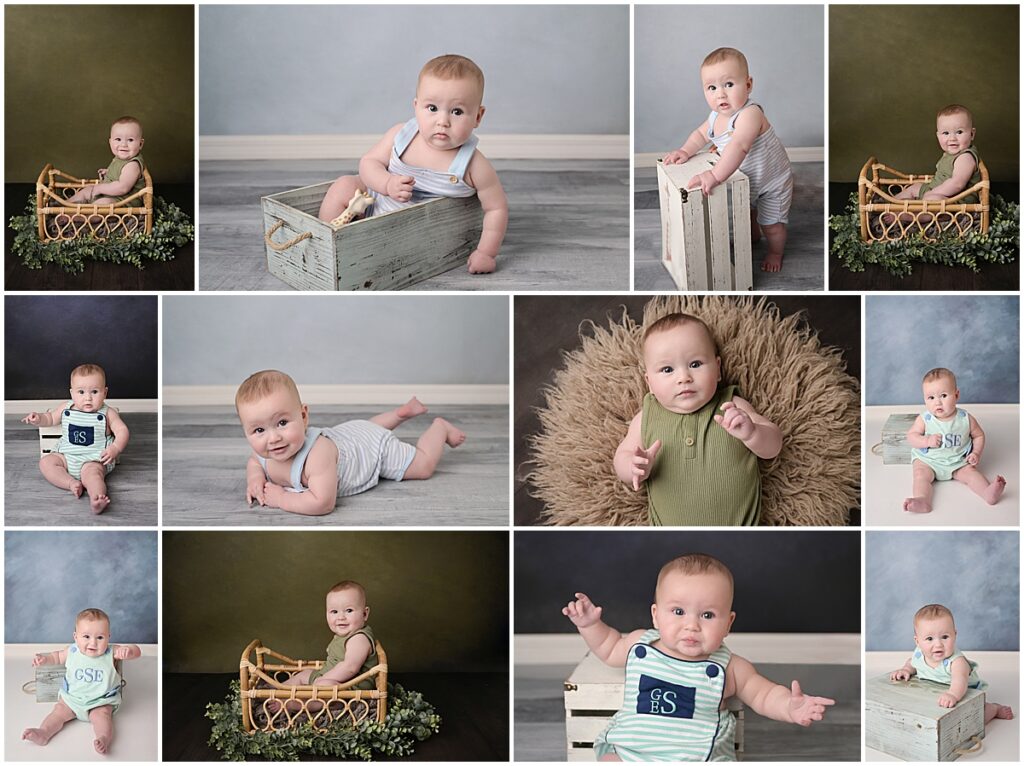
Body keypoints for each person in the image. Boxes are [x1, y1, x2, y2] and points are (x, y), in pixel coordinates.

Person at [563, 553, 835, 761]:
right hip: (632, 750)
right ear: (656, 615)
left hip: (698, 755)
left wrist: (789, 706)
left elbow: (763, 695)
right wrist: (589, 626)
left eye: (707, 615)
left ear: (728, 623)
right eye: (678, 612)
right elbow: (609, 648)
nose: (692, 625)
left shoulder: (730, 667)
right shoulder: (639, 644)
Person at [317, 54, 508, 274]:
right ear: (416, 107)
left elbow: (496, 208)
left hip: (413, 236)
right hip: (370, 207)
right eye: (432, 108)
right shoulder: (401, 135)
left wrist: (486, 253)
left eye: (457, 111)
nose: (442, 121)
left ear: (478, 116)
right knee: (343, 184)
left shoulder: (473, 165)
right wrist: (387, 183)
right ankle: (326, 244)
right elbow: (369, 163)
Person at [613, 312, 781, 525]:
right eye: (667, 369)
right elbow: (622, 456)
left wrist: (753, 433)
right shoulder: (647, 416)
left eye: (695, 364)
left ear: (718, 369)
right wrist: (633, 466)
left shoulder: (732, 405)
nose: (684, 378)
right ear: (649, 383)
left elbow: (773, 446)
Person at [236, 370, 465, 515]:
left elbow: (323, 503)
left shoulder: (316, 457)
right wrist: (255, 479)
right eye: (259, 430)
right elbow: (254, 463)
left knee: (423, 466)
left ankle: (440, 428)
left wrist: (282, 499)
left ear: (304, 416)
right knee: (368, 429)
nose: (273, 438)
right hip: (351, 434)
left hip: (373, 451)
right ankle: (400, 413)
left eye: (282, 423)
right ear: (246, 432)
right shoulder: (264, 455)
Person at [663, 48, 794, 273]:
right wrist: (686, 150)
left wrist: (714, 175)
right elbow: (699, 135)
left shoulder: (750, 114)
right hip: (750, 179)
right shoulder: (715, 117)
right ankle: (753, 238)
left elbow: (739, 145)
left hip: (773, 181)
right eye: (712, 88)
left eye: (729, 85)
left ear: (748, 85)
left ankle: (775, 252)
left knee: (771, 224)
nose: (720, 94)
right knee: (748, 213)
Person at [22, 608, 142, 754]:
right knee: (58, 712)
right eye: (86, 636)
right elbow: (56, 657)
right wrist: (44, 659)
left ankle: (103, 738)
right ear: (76, 637)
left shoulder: (112, 652)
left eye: (100, 637)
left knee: (102, 717)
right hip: (72, 699)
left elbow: (137, 651)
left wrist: (128, 651)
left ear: (108, 637)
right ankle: (44, 732)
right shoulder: (72, 651)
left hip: (100, 701)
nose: (93, 642)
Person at [22, 363, 129, 514]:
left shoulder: (107, 413)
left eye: (94, 392)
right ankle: (71, 483)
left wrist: (115, 448)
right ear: (72, 393)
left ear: (105, 393)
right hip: (65, 456)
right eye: (81, 392)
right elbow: (50, 418)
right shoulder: (66, 408)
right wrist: (37, 418)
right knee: (46, 463)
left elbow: (122, 430)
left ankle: (97, 499)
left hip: (92, 459)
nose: (88, 398)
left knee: (94, 477)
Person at [903, 367, 1005, 513]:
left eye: (943, 395)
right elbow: (911, 437)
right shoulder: (925, 419)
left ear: (956, 395)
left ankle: (988, 492)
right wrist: (926, 441)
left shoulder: (965, 419)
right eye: (931, 398)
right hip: (929, 461)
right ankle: (923, 499)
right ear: (924, 399)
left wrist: (976, 453)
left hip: (958, 461)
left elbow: (979, 435)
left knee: (971, 474)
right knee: (920, 476)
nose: (937, 402)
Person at [889, 604, 1013, 723]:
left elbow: (960, 681)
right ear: (918, 641)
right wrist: (906, 669)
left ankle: (993, 709)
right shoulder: (919, 654)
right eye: (929, 639)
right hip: (936, 692)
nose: (938, 644)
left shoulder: (956, 662)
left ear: (954, 635)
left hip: (964, 693)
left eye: (945, 637)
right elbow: (912, 663)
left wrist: (953, 694)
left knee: (975, 720)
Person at [280, 580, 379, 688]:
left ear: (364, 614)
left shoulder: (359, 639)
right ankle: (276, 689)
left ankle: (287, 703)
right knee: (305, 674)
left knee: (324, 686)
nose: (341, 617)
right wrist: (321, 676)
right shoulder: (345, 635)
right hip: (330, 676)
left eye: (349, 610)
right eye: (334, 612)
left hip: (350, 687)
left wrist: (323, 679)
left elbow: (350, 667)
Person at [894, 105, 982, 203]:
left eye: (959, 132)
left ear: (972, 134)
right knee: (915, 187)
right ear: (938, 135)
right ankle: (890, 204)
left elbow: (957, 184)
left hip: (956, 200)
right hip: (936, 190)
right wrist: (931, 191)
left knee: (932, 200)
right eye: (946, 133)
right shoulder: (950, 154)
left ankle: (906, 214)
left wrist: (933, 193)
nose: (952, 138)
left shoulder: (965, 157)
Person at [63, 116, 147, 206]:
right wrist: (108, 172)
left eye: (130, 140)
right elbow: (121, 173)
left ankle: (75, 216)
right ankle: (65, 206)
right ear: (110, 142)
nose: (123, 144)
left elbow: (122, 188)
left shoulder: (132, 165)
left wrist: (100, 188)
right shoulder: (119, 158)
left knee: (103, 203)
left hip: (123, 201)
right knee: (88, 190)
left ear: (140, 144)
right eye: (118, 139)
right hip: (110, 194)